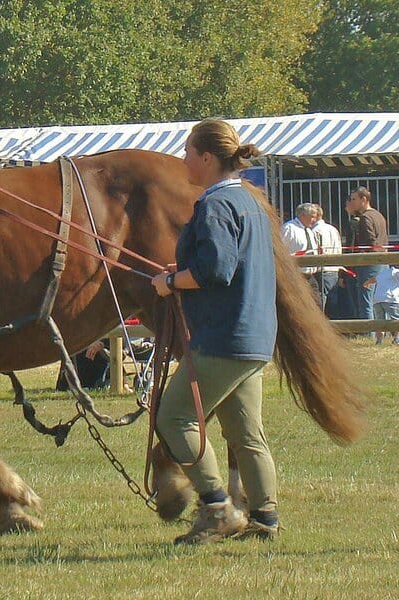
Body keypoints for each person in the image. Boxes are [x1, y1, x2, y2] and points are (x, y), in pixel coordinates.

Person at [151, 118, 279, 544]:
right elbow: (228, 266)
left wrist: (171, 282)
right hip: (255, 336)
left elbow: (216, 271)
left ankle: (218, 506)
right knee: (246, 434)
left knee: (173, 418)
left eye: (188, 151)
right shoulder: (250, 202)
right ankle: (265, 519)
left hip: (223, 338)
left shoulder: (216, 205)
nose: (184, 159)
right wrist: (184, 274)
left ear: (207, 158)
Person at [348, 187, 388, 324]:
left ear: (363, 199)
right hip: (383, 261)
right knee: (380, 298)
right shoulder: (379, 215)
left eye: (354, 199)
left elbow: (370, 242)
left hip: (370, 262)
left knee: (366, 299)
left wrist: (365, 254)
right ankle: (384, 329)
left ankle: (369, 331)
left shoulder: (365, 218)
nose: (352, 203)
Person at [280, 203, 321, 308]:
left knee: (317, 305)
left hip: (310, 274)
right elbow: (281, 249)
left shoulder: (309, 230)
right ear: (303, 215)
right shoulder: (289, 228)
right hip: (296, 275)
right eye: (312, 216)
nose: (314, 220)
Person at [310, 203, 344, 313]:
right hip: (334, 270)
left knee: (320, 302)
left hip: (322, 270)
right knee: (332, 302)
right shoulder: (333, 229)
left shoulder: (314, 231)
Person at [363, 265, 399, 345]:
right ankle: (397, 339)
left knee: (379, 321)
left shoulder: (383, 272)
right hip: (391, 298)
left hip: (377, 299)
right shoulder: (395, 272)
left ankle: (379, 341)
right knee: (396, 319)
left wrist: (367, 282)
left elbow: (374, 279)